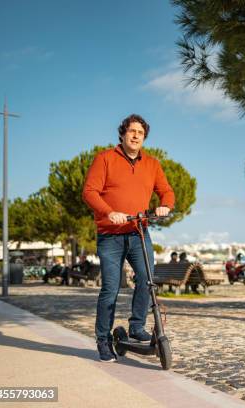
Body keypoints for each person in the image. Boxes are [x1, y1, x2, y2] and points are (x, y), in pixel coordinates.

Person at [82, 114, 175, 362]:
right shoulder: (105, 159)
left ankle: (136, 326)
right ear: (122, 134)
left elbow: (166, 191)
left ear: (144, 138)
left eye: (140, 133)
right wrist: (109, 212)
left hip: (139, 232)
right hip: (110, 235)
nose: (135, 136)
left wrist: (165, 205)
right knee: (110, 289)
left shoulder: (152, 164)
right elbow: (89, 192)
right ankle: (103, 340)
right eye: (132, 131)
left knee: (146, 279)